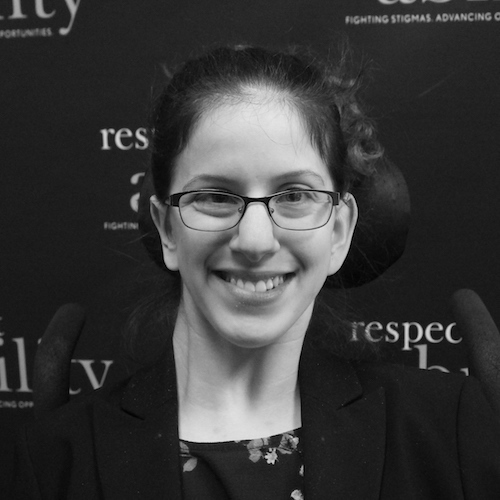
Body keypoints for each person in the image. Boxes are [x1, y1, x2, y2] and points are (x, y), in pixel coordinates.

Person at [14, 45, 500, 499]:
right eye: (214, 196)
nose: (254, 241)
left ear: (339, 231)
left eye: (294, 196)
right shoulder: (54, 463)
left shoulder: (452, 433)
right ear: (166, 229)